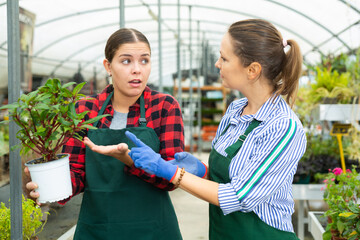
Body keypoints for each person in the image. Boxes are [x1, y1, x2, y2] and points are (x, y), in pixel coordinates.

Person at [86, 19, 307, 240]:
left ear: (252, 70)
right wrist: (202, 170)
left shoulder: (283, 127)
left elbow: (239, 197)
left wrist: (172, 172)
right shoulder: (236, 111)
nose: (217, 64)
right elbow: (227, 177)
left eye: (224, 58)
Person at [25, 28, 191, 240]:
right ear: (108, 66)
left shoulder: (164, 107)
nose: (136, 70)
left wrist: (129, 160)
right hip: (98, 228)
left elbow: (172, 179)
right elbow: (77, 173)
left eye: (144, 61)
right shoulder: (84, 109)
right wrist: (48, 183)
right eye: (126, 61)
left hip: (152, 229)